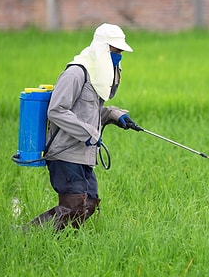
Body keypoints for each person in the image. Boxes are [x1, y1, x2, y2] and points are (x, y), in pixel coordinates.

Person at [26, 23, 139, 230]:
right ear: (102, 48)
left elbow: (88, 112)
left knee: (89, 204)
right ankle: (24, 236)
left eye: (121, 51)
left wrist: (115, 115)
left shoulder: (97, 77)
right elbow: (56, 110)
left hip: (84, 154)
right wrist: (88, 133)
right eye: (115, 51)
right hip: (65, 152)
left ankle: (61, 244)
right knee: (74, 207)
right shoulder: (76, 73)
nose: (119, 56)